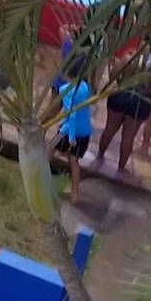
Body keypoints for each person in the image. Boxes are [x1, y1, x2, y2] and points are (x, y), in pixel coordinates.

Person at [96, 79, 151, 174]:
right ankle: (121, 168)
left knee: (110, 129)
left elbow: (115, 73)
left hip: (122, 93)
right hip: (141, 101)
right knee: (129, 136)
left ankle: (100, 155)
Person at [53, 72, 94, 204]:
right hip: (85, 130)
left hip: (71, 130)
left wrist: (71, 137)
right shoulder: (85, 86)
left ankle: (41, 182)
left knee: (49, 149)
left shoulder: (64, 89)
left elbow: (72, 115)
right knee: (74, 161)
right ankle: (75, 194)